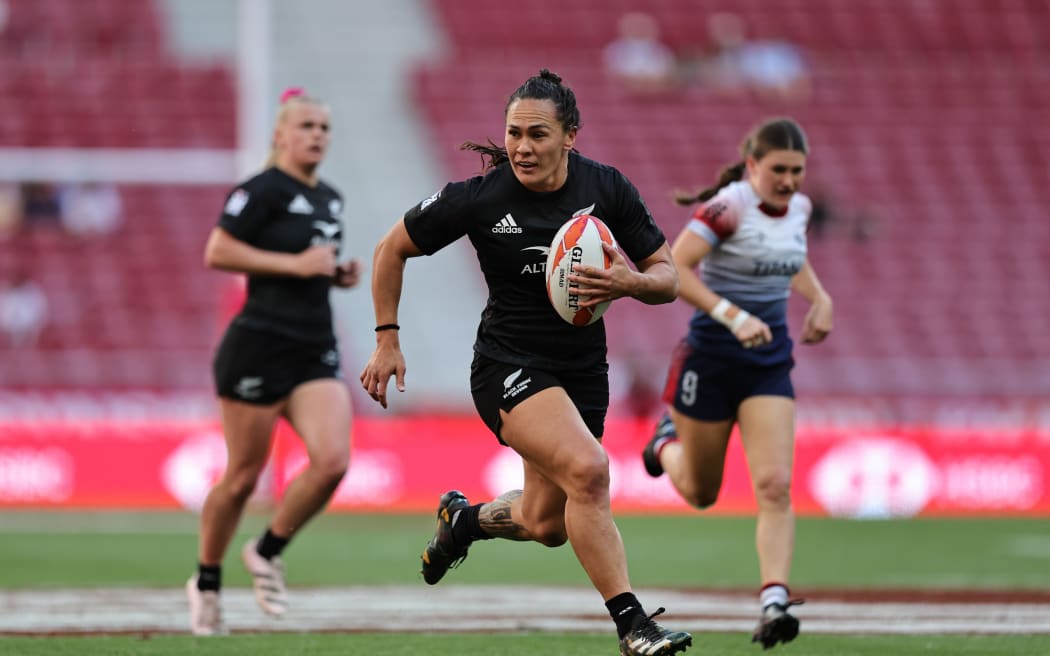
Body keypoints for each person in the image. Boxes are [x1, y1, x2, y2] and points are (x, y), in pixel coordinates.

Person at [359, 69, 693, 656]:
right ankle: (633, 625)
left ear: (571, 137)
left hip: (583, 373)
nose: (521, 147)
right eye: (513, 133)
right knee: (590, 470)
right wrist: (387, 338)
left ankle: (463, 522)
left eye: (538, 134)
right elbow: (391, 248)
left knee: (544, 524)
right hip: (506, 366)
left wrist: (630, 281)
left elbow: (668, 279)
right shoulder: (482, 198)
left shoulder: (607, 188)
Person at [641, 117, 832, 649]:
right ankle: (664, 442)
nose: (790, 181)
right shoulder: (727, 207)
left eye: (797, 171)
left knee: (775, 485)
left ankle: (774, 599)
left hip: (768, 363)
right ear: (753, 166)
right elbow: (675, 268)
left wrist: (820, 297)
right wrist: (732, 315)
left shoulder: (800, 209)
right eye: (779, 170)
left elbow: (789, 259)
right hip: (710, 358)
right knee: (702, 492)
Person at [186, 87, 361, 636]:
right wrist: (296, 264)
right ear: (280, 134)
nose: (316, 136)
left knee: (332, 461)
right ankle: (207, 581)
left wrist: (335, 274)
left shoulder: (331, 197)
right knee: (241, 479)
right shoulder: (259, 191)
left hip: (312, 345)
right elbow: (218, 251)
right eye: (306, 126)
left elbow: (313, 265)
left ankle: (266, 548)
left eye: (323, 128)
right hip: (258, 343)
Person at [602, 11, 681, 95]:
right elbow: (613, 71)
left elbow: (668, 71)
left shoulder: (661, 50)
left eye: (643, 27)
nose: (639, 30)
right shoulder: (616, 49)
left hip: (655, 88)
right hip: (628, 88)